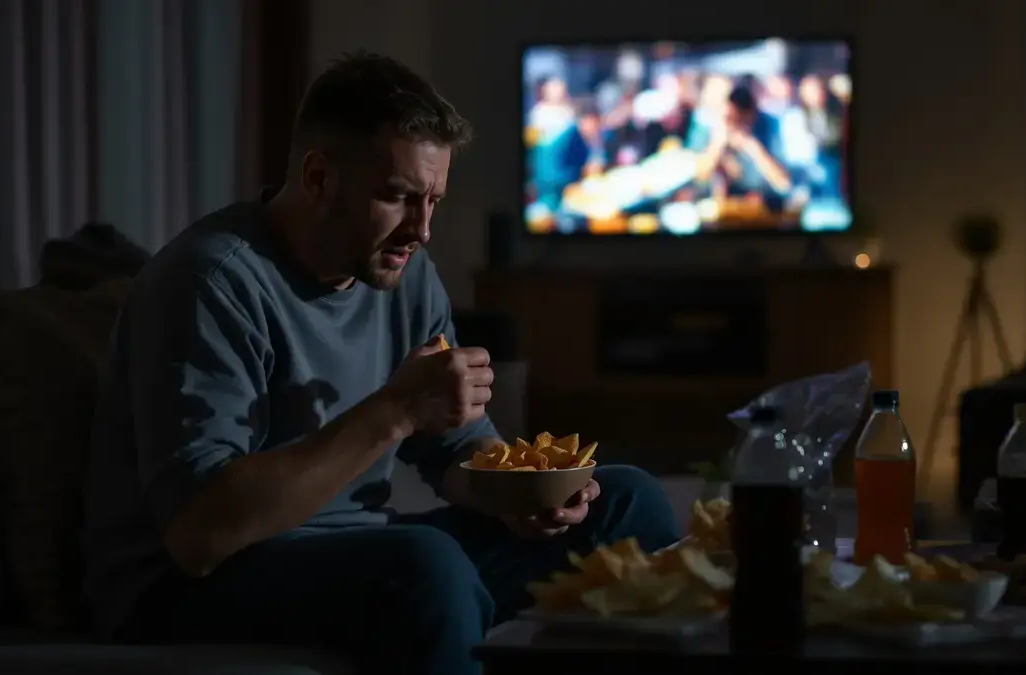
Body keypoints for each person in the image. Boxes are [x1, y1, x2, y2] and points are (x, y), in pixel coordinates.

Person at [81, 53, 680, 675]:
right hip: (187, 587)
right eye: (397, 198)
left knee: (628, 501)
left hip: (355, 554)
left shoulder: (404, 272)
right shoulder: (211, 283)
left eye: (433, 201)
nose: (420, 230)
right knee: (425, 565)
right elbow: (198, 533)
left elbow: (456, 450)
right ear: (318, 177)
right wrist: (394, 410)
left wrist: (520, 497)